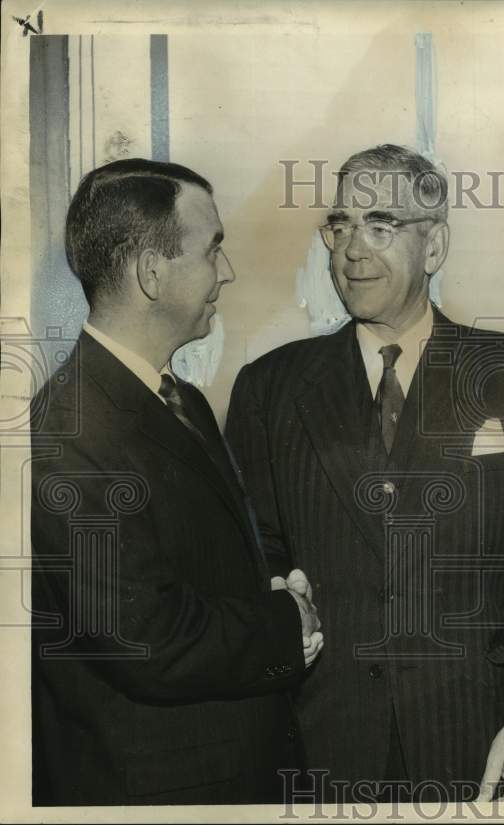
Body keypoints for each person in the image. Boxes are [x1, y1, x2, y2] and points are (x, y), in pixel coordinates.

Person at [225, 144, 504, 802]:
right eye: (340, 226)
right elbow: (250, 556)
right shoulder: (270, 388)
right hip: (321, 746)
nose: (352, 249)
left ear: (433, 247)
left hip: (482, 742)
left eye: (380, 226)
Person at [31, 158, 324, 805]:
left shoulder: (181, 399)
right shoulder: (66, 433)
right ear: (152, 273)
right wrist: (285, 623)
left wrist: (272, 585)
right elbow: (145, 636)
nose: (228, 271)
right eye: (213, 248)